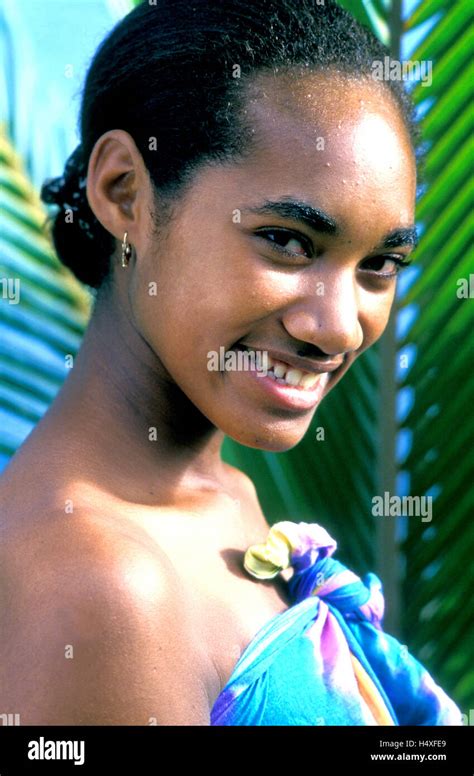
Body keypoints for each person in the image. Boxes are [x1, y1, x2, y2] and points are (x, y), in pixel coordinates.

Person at [0, 0, 462, 725]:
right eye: (286, 240)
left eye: (379, 264)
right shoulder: (100, 583)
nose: (339, 327)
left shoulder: (224, 498)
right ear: (124, 191)